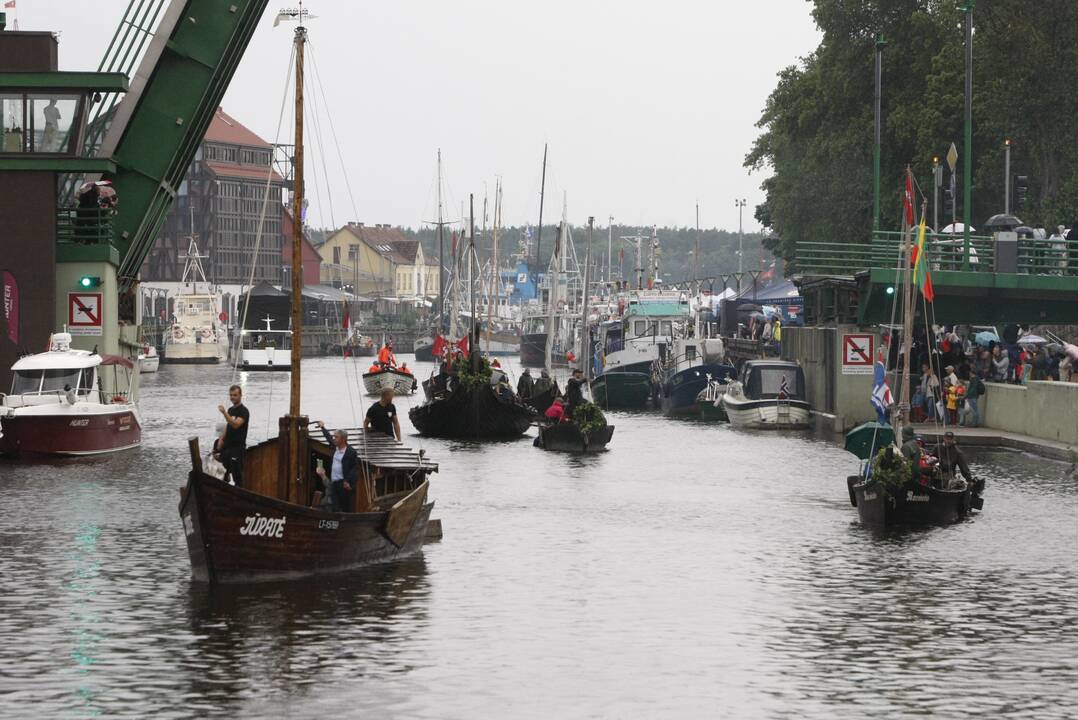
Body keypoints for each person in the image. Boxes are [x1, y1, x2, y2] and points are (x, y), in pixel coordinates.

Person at [313, 421, 358, 512]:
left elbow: (354, 469)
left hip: (343, 483)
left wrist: (348, 481)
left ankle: (347, 523)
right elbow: (328, 438)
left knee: (345, 505)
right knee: (334, 505)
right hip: (334, 483)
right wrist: (322, 427)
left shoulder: (351, 452)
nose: (334, 439)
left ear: (343, 439)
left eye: (336, 437)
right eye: (334, 437)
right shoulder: (335, 447)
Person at [217, 384, 249, 487]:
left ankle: (239, 492)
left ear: (240, 396)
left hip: (237, 448)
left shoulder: (244, 411)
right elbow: (228, 426)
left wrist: (224, 413)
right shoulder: (231, 410)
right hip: (227, 447)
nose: (232, 397)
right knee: (223, 471)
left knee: (237, 475)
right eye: (231, 395)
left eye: (235, 395)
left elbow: (235, 425)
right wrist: (221, 439)